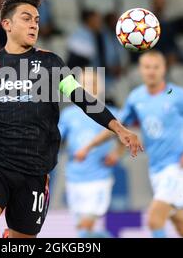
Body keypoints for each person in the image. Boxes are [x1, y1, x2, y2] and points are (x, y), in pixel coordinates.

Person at [0, 0, 143, 238]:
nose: (34, 25)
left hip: (34, 171)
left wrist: (119, 128)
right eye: (26, 18)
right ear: (6, 24)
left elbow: (82, 97)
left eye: (37, 20)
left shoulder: (51, 64)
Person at [75, 50, 183, 238]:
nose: (151, 71)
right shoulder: (136, 97)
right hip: (156, 170)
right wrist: (89, 146)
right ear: (140, 70)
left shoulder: (177, 95)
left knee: (154, 219)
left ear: (164, 69)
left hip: (178, 166)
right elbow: (117, 127)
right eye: (147, 67)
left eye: (156, 67)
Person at [59, 69, 124, 238]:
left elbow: (123, 137)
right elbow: (57, 138)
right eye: (84, 84)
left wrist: (117, 153)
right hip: (74, 177)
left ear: (100, 86)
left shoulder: (110, 113)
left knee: (86, 226)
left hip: (99, 178)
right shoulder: (68, 114)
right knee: (82, 228)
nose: (89, 88)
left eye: (92, 83)